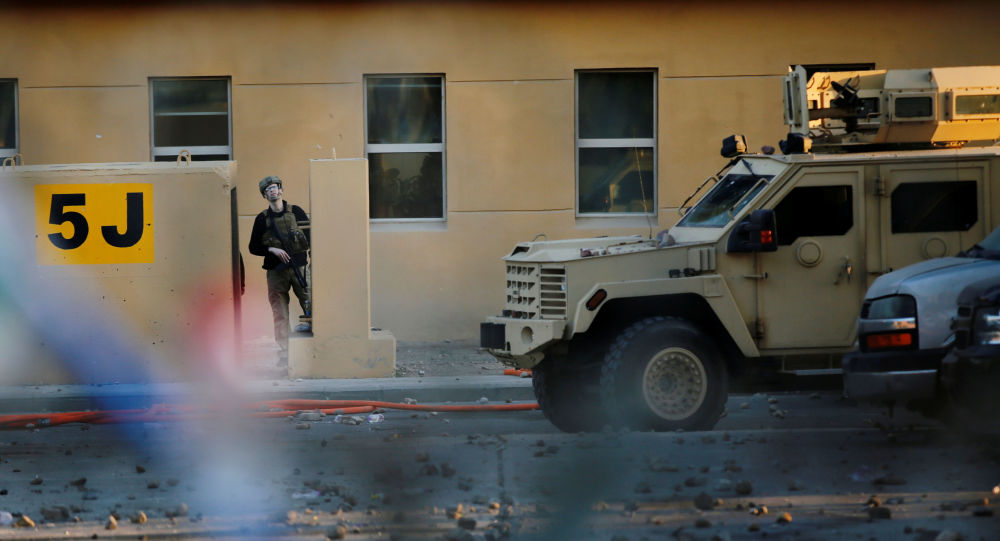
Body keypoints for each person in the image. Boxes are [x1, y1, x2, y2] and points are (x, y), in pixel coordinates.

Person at [248, 175, 311, 365]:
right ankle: (286, 352)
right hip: (276, 272)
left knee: (311, 306)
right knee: (280, 312)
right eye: (268, 190)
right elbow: (253, 247)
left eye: (275, 187)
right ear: (264, 195)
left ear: (281, 190)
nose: (272, 191)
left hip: (300, 268)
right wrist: (271, 249)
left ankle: (312, 348)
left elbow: (311, 236)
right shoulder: (262, 219)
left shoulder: (296, 212)